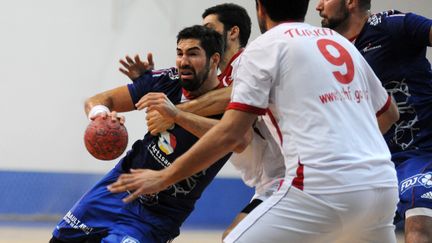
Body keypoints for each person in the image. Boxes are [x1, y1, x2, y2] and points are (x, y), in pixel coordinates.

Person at [108, 0, 401, 242]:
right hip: (381, 185)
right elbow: (389, 114)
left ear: (259, 9)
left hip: (315, 185)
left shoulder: (263, 50)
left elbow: (232, 134)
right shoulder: (339, 42)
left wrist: (163, 177)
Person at [49, 25, 234, 243]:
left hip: (159, 212)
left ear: (214, 60)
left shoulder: (229, 105)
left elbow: (235, 139)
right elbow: (99, 100)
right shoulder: (167, 80)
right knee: (60, 240)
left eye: (193, 54)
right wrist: (103, 117)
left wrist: (177, 115)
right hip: (119, 185)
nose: (183, 61)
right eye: (179, 53)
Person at [119, 3, 285, 240]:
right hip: (266, 181)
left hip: (286, 177)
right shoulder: (220, 76)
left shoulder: (249, 62)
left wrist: (173, 112)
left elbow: (234, 95)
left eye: (209, 27)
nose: (203, 32)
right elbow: (199, 92)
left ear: (233, 32)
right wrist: (149, 81)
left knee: (235, 238)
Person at [316, 1, 432, 242]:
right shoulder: (329, 52)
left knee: (419, 227)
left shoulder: (390, 26)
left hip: (419, 152)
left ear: (350, 2)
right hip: (371, 162)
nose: (318, 6)